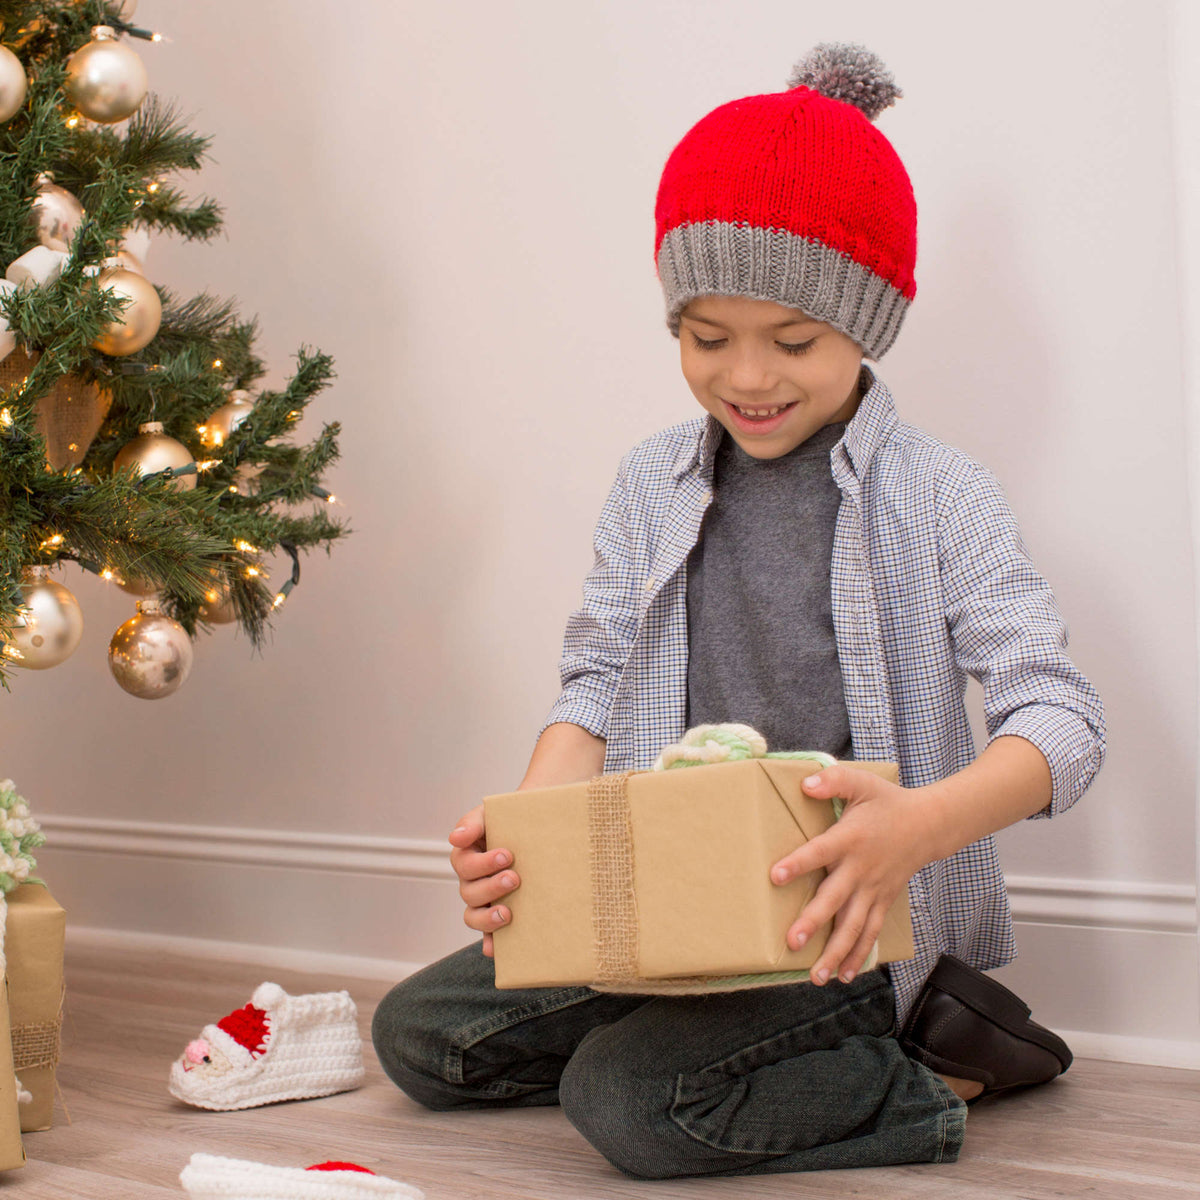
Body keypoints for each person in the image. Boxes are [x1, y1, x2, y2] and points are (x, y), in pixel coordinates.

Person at [372, 42, 1106, 1178]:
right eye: (706, 339)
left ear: (869, 324)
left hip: (843, 924)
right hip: (672, 901)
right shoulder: (650, 482)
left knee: (624, 1102)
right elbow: (596, 686)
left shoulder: (940, 493)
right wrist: (533, 851)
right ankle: (709, 1046)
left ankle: (929, 1072)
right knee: (422, 1041)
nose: (747, 377)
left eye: (795, 342)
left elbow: (1063, 721)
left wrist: (921, 824)